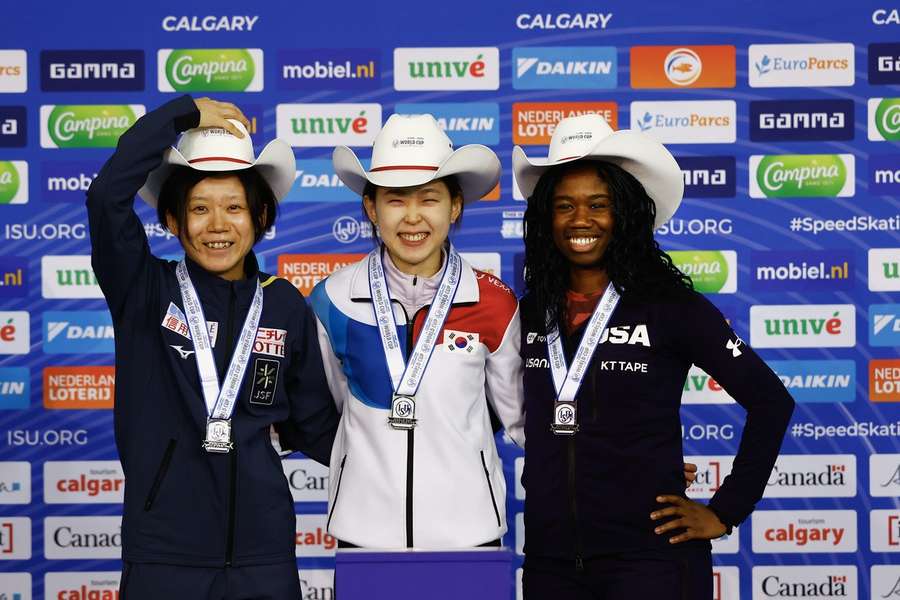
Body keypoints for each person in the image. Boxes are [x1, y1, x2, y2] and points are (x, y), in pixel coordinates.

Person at [514, 114, 795, 599]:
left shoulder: (670, 305)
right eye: (565, 206)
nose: (581, 219)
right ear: (546, 219)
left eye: (598, 204)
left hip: (650, 562)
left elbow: (772, 401)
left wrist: (726, 510)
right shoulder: (530, 311)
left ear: (624, 213)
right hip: (549, 561)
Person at [87, 95, 339, 599]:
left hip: (263, 556)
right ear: (173, 220)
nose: (218, 225)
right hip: (164, 556)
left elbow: (317, 425)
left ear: (260, 215)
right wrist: (182, 114)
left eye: (234, 207)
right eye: (199, 208)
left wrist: (408, 448)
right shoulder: (144, 289)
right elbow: (105, 197)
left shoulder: (284, 304)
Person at [308, 113, 525, 549]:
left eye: (428, 199)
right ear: (371, 207)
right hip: (363, 533)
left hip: (470, 533)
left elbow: (521, 419)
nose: (412, 218)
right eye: (394, 199)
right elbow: (326, 411)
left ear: (455, 206)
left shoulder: (494, 301)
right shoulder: (332, 298)